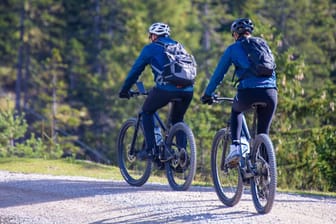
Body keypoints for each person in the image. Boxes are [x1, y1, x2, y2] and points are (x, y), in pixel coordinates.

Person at [201, 18, 277, 167]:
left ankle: (236, 148)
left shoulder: (233, 49)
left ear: (235, 34)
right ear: (250, 32)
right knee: (263, 132)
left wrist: (208, 94)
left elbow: (218, 74)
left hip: (248, 92)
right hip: (271, 93)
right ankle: (266, 173)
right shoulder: (263, 44)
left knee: (236, 111)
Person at [119, 22, 194, 162]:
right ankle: (182, 154)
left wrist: (124, 90)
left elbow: (135, 71)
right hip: (188, 90)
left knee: (147, 111)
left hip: (165, 89)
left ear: (153, 36)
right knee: (177, 119)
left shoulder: (151, 48)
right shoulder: (178, 46)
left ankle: (151, 150)